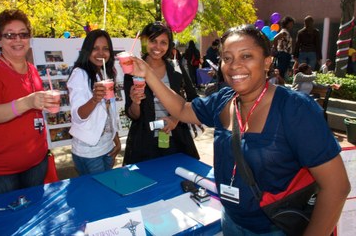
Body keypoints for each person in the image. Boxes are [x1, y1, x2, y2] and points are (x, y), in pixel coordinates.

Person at [128, 24, 350, 235]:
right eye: (227, 58)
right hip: (230, 220)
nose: (234, 65)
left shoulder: (295, 109)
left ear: (266, 62)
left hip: (275, 228)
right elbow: (181, 109)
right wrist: (148, 73)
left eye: (246, 56)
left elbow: (336, 188)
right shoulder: (224, 99)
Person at [0, 9, 60, 197]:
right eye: (10, 35)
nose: (18, 40)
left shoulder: (32, 70)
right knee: (5, 223)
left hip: (36, 163)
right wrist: (28, 102)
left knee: (32, 216)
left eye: (23, 34)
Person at [123, 22, 199, 165]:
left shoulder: (176, 68)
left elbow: (194, 99)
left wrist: (176, 118)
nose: (158, 47)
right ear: (145, 41)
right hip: (144, 142)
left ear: (169, 45)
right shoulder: (133, 70)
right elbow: (133, 115)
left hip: (176, 140)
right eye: (153, 41)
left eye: (163, 42)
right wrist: (135, 102)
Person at [67, 29, 121, 176]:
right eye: (95, 48)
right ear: (87, 50)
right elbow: (78, 116)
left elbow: (109, 113)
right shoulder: (80, 74)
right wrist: (94, 99)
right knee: (99, 193)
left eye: (105, 49)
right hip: (89, 151)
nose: (100, 53)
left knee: (107, 188)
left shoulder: (105, 72)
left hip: (107, 146)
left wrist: (115, 139)